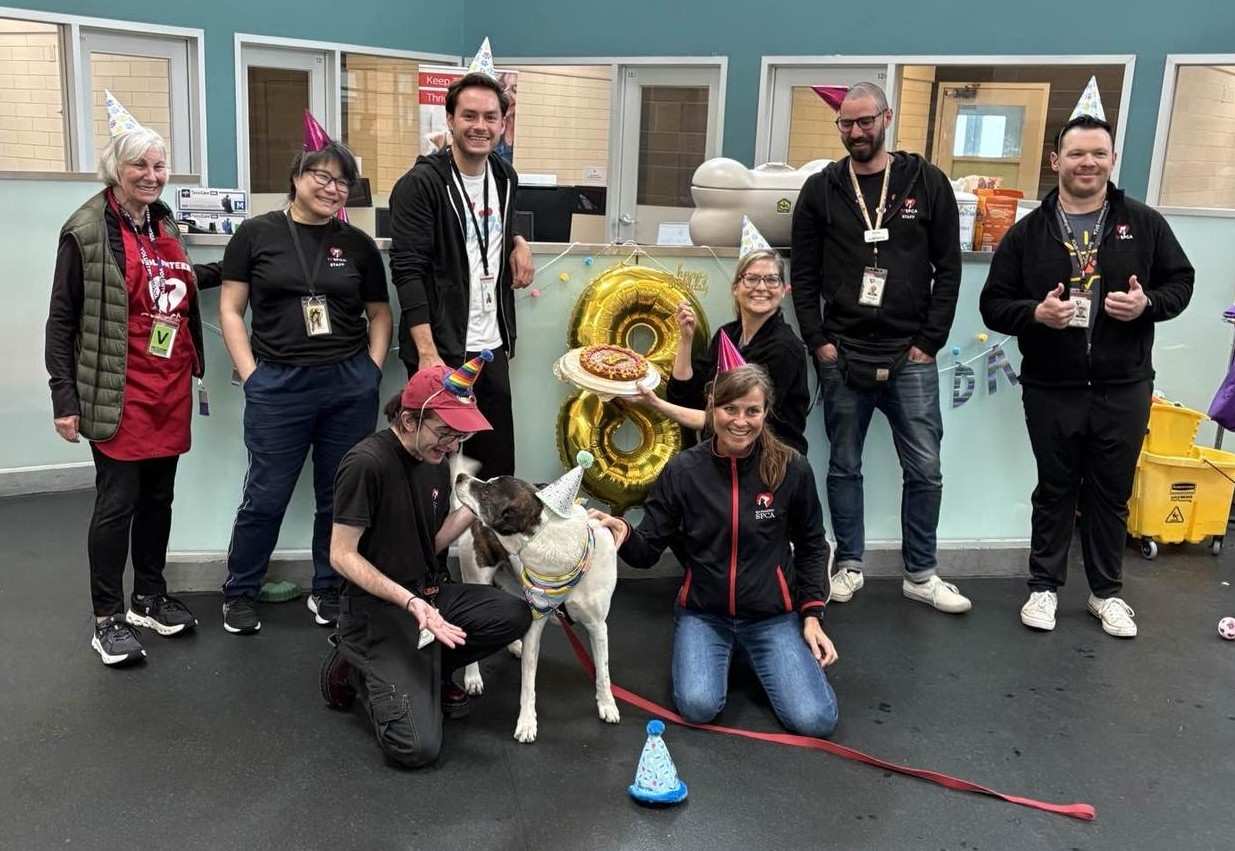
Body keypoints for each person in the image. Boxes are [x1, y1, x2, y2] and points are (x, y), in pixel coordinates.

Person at [979, 114, 1194, 638]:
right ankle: (1044, 588)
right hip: (1052, 386)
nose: (1088, 163)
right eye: (1077, 154)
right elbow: (993, 304)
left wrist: (1146, 305)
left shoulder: (1143, 223)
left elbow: (1181, 283)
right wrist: (1036, 314)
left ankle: (1106, 594)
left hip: (1124, 385)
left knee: (1110, 491)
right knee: (1054, 488)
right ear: (1057, 161)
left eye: (1098, 153)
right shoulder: (1028, 232)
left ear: (1112, 159)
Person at [791, 81, 970, 613]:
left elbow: (950, 269)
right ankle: (848, 564)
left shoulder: (925, 181)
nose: (856, 132)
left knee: (925, 468)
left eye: (865, 121)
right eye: (846, 124)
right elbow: (802, 276)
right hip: (842, 353)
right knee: (844, 464)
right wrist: (818, 342)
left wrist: (929, 341)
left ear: (886, 118)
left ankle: (921, 572)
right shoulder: (822, 188)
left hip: (909, 352)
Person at [45, 119, 218, 666]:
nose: (151, 175)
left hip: (167, 386)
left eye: (158, 165)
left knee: (158, 499)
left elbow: (183, 281)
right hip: (114, 390)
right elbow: (61, 320)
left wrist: (248, 262)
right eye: (139, 165)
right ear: (115, 170)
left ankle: (148, 596)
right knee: (116, 504)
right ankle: (108, 618)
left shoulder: (161, 222)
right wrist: (64, 398)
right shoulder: (87, 229)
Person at [591, 365, 839, 738]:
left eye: (752, 411)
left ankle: (758, 652)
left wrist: (812, 616)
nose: (741, 421)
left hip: (771, 616)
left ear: (765, 412)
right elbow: (647, 551)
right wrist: (623, 532)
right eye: (730, 409)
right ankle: (733, 652)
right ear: (712, 408)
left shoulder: (791, 468)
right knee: (698, 706)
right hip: (705, 614)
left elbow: (811, 544)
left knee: (815, 721)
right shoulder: (683, 470)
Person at [319, 360, 531, 767]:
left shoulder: (434, 463)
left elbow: (427, 542)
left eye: (458, 436)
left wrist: (475, 508)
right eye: (445, 433)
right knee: (416, 748)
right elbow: (341, 554)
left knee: (514, 613)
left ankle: (424, 669)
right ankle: (356, 661)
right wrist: (410, 603)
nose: (451, 446)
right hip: (377, 611)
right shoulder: (366, 463)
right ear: (409, 419)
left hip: (428, 597)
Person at [218, 142, 392, 635]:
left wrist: (371, 371)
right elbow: (231, 309)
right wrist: (252, 374)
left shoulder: (356, 244)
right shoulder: (255, 235)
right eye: (321, 175)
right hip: (279, 383)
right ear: (296, 176)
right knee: (266, 494)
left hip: (347, 384)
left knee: (338, 496)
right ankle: (240, 590)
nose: (331, 188)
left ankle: (328, 589)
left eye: (342, 182)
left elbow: (380, 314)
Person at [389, 71, 535, 481]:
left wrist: (519, 242)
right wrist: (427, 352)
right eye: (469, 115)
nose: (480, 126)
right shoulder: (420, 185)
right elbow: (408, 270)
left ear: (503, 124)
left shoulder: (505, 178)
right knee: (432, 468)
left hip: (490, 347)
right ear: (450, 119)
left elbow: (493, 230)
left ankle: (487, 548)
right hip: (442, 347)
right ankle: (426, 548)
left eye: (490, 117)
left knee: (494, 468)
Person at [640, 248, 811, 454]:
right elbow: (683, 396)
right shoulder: (727, 334)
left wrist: (654, 404)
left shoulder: (784, 348)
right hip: (724, 456)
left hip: (769, 461)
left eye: (772, 280)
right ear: (736, 288)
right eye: (752, 278)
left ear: (784, 290)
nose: (761, 287)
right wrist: (686, 339)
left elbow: (736, 422)